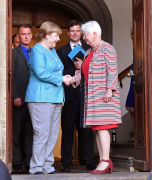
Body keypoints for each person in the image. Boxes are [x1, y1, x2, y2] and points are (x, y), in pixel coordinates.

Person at [67, 20, 122, 174]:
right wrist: (73, 79)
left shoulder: (108, 49)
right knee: (98, 128)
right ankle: (103, 161)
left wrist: (109, 90)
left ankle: (106, 161)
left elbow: (112, 71)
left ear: (95, 34)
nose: (84, 38)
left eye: (85, 35)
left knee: (103, 127)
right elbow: (82, 72)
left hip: (104, 96)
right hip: (92, 97)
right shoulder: (88, 52)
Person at [25, 21, 71, 175]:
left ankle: (47, 166)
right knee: (42, 133)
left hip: (55, 98)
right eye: (56, 35)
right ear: (46, 35)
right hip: (40, 98)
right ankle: (36, 167)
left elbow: (57, 74)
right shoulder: (37, 50)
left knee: (52, 134)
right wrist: (63, 79)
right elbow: (41, 73)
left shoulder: (52, 50)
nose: (58, 38)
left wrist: (61, 96)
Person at [56, 20, 95, 172]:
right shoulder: (61, 50)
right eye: (72, 31)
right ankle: (66, 162)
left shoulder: (88, 48)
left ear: (81, 32)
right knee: (67, 131)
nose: (74, 33)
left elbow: (94, 69)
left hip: (86, 96)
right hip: (69, 95)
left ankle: (89, 161)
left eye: (77, 31)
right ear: (68, 33)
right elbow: (59, 71)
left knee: (86, 130)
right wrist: (74, 72)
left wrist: (83, 65)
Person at [12, 25, 33, 174]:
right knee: (17, 133)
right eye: (22, 34)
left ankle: (29, 162)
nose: (25, 37)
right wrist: (15, 95)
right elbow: (11, 76)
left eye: (28, 34)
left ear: (32, 35)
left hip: (34, 99)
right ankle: (17, 162)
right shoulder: (13, 53)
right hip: (20, 98)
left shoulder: (37, 52)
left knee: (30, 133)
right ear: (18, 37)